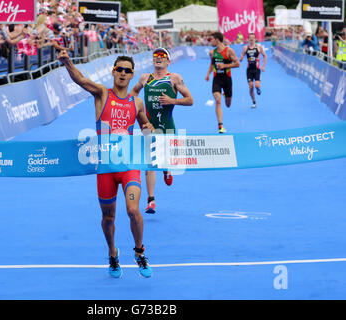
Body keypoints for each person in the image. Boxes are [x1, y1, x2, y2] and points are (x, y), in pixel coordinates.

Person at [57, 47, 155, 279]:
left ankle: (139, 252)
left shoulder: (136, 102)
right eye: (119, 69)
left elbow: (144, 125)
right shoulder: (102, 94)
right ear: (113, 72)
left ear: (132, 75)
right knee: (108, 218)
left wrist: (148, 128)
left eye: (127, 70)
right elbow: (80, 79)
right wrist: (67, 62)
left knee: (133, 211)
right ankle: (112, 253)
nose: (122, 73)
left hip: (129, 166)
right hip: (106, 169)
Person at [130, 47, 194, 214]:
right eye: (155, 56)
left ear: (168, 61)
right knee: (149, 164)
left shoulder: (174, 78)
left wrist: (172, 100)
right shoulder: (145, 78)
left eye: (162, 56)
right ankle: (151, 200)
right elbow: (134, 92)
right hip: (148, 126)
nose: (158, 58)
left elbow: (190, 100)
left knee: (164, 159)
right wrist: (133, 105)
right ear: (152, 60)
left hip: (167, 125)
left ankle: (166, 169)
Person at [205, 32, 240, 134]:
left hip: (227, 79)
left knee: (228, 104)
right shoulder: (212, 52)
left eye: (212, 39)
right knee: (218, 100)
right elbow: (212, 64)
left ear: (217, 40)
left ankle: (225, 95)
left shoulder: (229, 51)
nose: (211, 41)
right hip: (217, 79)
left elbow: (237, 64)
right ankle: (220, 125)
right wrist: (208, 74)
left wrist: (224, 66)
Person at [239, 33, 267, 108]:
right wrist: (240, 59)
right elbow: (241, 56)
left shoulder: (259, 47)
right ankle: (254, 102)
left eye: (253, 38)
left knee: (257, 85)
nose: (251, 39)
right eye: (250, 38)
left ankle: (258, 88)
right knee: (251, 87)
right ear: (248, 39)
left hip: (257, 69)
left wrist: (263, 66)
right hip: (249, 70)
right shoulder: (245, 48)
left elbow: (265, 56)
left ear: (255, 39)